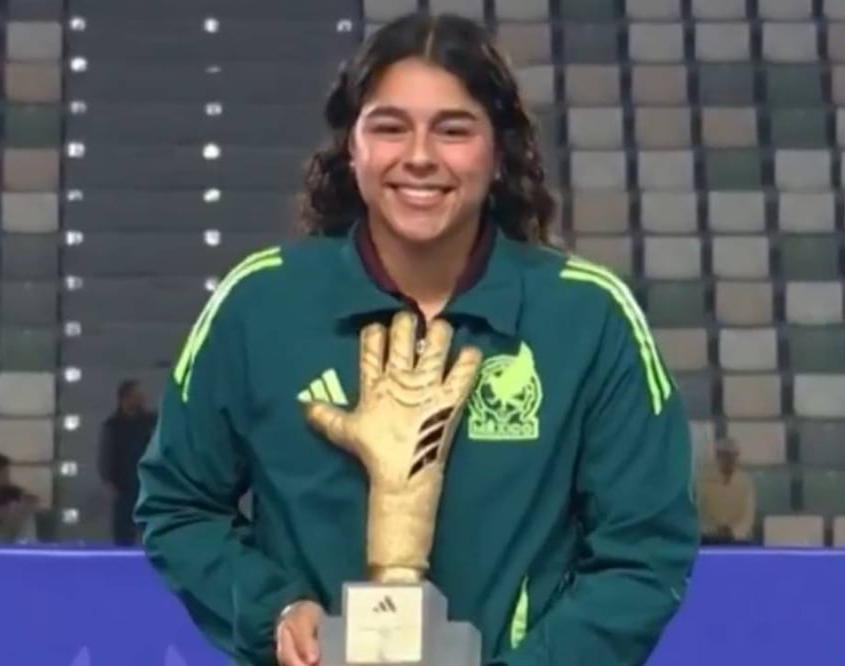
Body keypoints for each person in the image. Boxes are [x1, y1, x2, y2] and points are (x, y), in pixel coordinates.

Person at [135, 12, 698, 666]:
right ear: (353, 146)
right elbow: (179, 506)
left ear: (499, 149)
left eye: (453, 130)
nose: (420, 157)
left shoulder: (587, 317)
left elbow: (645, 553)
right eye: (390, 127)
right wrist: (277, 612)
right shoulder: (260, 305)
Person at [97, 379, 157, 546]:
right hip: (123, 485)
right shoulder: (113, 425)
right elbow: (105, 453)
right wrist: (107, 480)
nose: (141, 399)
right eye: (137, 396)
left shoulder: (151, 422)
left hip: (148, 483)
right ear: (125, 398)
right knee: (123, 531)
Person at [696, 437, 756, 546]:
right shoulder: (703, 481)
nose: (731, 460)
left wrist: (732, 532)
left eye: (734, 455)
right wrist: (714, 530)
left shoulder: (745, 481)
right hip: (709, 539)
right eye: (727, 455)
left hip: (738, 540)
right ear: (718, 456)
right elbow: (697, 513)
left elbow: (748, 516)